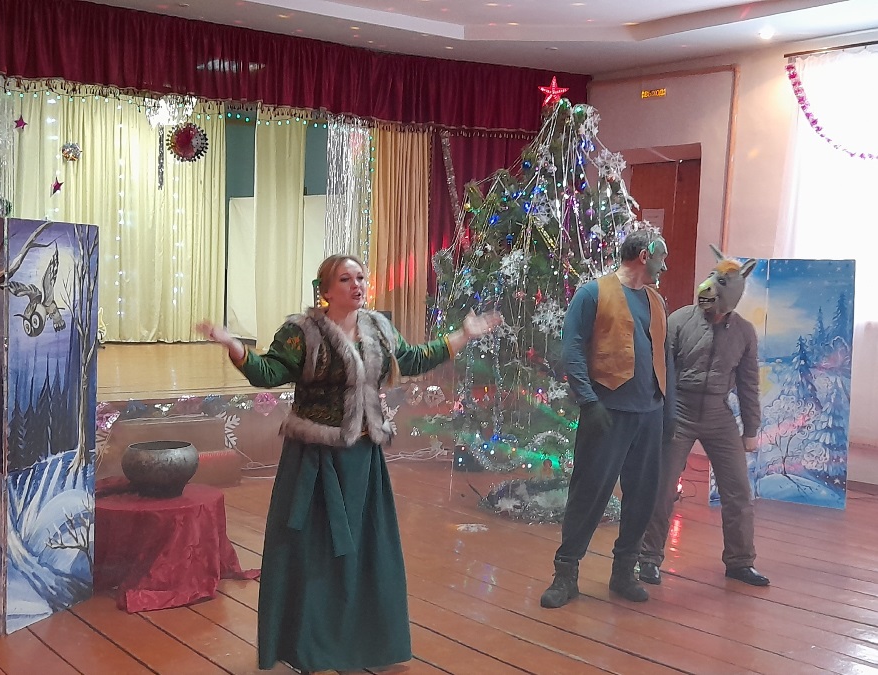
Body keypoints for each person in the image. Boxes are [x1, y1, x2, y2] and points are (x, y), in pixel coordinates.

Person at [197, 254, 501, 674]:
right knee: (313, 552)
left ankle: (363, 641)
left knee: (364, 550)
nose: (357, 285)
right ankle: (309, 645)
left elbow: (412, 358)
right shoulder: (302, 332)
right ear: (325, 290)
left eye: (360, 277)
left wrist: (463, 335)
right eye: (345, 279)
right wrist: (234, 346)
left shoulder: (378, 328)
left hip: (362, 457)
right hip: (314, 460)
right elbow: (268, 372)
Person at [541, 228, 671, 608]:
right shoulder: (592, 294)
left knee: (642, 497)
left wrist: (668, 409)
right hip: (607, 414)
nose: (664, 266)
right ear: (644, 255)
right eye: (661, 257)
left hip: (650, 414)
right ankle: (565, 575)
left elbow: (666, 357)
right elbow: (571, 350)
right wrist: (588, 401)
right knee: (589, 494)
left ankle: (624, 572)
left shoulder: (657, 301)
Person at [639, 246, 769, 587]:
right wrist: (657, 418)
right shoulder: (679, 321)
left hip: (718, 413)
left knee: (738, 490)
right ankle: (648, 558)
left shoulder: (744, 333)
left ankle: (740, 561)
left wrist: (751, 429)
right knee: (662, 487)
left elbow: (748, 384)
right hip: (679, 410)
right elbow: (659, 373)